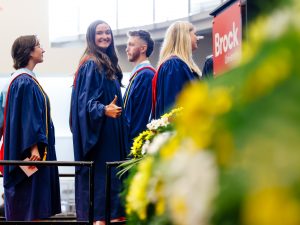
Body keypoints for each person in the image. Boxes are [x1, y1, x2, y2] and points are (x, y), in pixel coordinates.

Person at [70, 20, 129, 225]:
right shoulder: (91, 64)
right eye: (100, 33)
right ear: (91, 37)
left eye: (108, 32)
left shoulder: (106, 63)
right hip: (101, 143)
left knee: (112, 203)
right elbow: (85, 105)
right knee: (103, 201)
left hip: (112, 138)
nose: (105, 36)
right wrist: (103, 109)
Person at [0, 35, 61, 221]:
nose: (43, 49)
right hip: (31, 155)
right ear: (29, 52)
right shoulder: (25, 82)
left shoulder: (14, 81)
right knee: (32, 210)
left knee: (25, 209)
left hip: (21, 152)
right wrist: (34, 146)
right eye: (39, 46)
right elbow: (30, 116)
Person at [151, 21, 201, 119]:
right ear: (184, 36)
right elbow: (174, 108)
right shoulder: (174, 65)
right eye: (194, 34)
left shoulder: (175, 64)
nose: (197, 37)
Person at [124, 30, 156, 146]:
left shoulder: (146, 75)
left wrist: (131, 148)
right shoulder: (139, 75)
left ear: (143, 48)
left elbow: (140, 118)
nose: (127, 49)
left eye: (131, 45)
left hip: (135, 146)